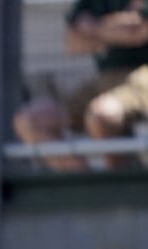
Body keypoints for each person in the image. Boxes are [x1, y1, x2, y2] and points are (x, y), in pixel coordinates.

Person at [13, 0, 148, 173]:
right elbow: (73, 43)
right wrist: (116, 30)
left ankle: (120, 189)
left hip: (142, 76)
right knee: (30, 121)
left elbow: (137, 32)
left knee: (101, 115)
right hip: (104, 79)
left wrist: (92, 29)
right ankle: (94, 190)